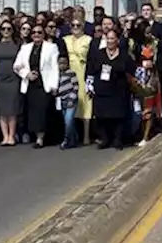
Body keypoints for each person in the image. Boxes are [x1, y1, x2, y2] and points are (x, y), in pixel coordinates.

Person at [14, 23, 59, 148]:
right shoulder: (25, 48)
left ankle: (41, 138)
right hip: (30, 84)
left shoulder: (51, 47)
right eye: (34, 32)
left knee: (43, 111)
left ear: (43, 34)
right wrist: (27, 74)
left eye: (39, 32)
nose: (36, 35)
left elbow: (55, 68)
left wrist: (54, 85)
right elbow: (17, 66)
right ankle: (36, 135)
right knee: (33, 112)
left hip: (44, 83)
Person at [89, 28, 133, 149]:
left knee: (118, 116)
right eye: (107, 38)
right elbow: (91, 70)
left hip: (118, 90)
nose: (110, 41)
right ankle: (104, 139)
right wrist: (90, 85)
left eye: (112, 38)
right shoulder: (99, 54)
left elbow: (130, 70)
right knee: (101, 116)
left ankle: (117, 140)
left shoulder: (124, 55)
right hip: (102, 89)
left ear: (117, 40)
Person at [62, 11, 93, 145]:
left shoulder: (88, 39)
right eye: (73, 25)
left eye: (78, 25)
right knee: (69, 103)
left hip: (83, 70)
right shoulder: (65, 39)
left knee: (86, 104)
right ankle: (72, 135)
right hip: (69, 73)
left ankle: (86, 135)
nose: (75, 28)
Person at [0, 20, 22, 145]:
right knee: (1, 109)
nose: (6, 31)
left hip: (13, 79)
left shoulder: (18, 45)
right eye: (3, 29)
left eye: (9, 29)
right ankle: (5, 136)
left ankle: (11, 135)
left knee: (12, 109)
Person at [57, 53, 81, 149]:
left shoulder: (71, 73)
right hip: (62, 100)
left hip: (71, 100)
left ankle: (66, 140)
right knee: (69, 122)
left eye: (64, 63)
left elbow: (75, 86)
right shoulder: (57, 74)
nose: (62, 65)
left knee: (68, 121)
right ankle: (73, 140)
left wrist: (72, 98)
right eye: (60, 63)